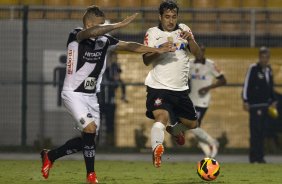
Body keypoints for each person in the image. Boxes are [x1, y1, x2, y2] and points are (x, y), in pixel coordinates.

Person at [40, 5, 173, 184]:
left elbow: (130, 46)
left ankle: (51, 156)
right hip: (73, 93)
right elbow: (90, 33)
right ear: (89, 24)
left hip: (91, 97)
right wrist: (119, 24)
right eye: (100, 25)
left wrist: (157, 49)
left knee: (88, 140)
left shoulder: (105, 40)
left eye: (105, 25)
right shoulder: (76, 35)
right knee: (90, 129)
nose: (103, 28)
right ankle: (91, 176)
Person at [142, 0, 203, 168]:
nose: (170, 20)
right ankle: (157, 149)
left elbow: (198, 55)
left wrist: (190, 39)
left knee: (192, 124)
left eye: (173, 17)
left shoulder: (184, 29)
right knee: (162, 117)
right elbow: (146, 60)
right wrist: (158, 49)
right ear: (160, 17)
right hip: (158, 87)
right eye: (167, 17)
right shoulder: (152, 33)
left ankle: (174, 130)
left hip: (180, 90)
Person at [188, 43, 227, 158]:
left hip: (202, 101)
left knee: (194, 126)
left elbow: (223, 80)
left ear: (204, 52)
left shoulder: (210, 65)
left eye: (202, 51)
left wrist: (208, 88)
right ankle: (209, 153)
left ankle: (212, 143)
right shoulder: (189, 64)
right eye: (197, 51)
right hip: (191, 100)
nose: (199, 53)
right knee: (194, 127)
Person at [242, 46, 277, 163]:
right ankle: (254, 157)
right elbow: (247, 85)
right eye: (262, 57)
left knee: (263, 132)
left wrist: (273, 100)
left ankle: (260, 157)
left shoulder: (269, 70)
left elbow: (270, 87)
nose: (264, 60)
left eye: (267, 57)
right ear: (259, 57)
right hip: (255, 105)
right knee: (255, 132)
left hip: (266, 106)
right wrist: (245, 100)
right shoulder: (253, 68)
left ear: (269, 58)